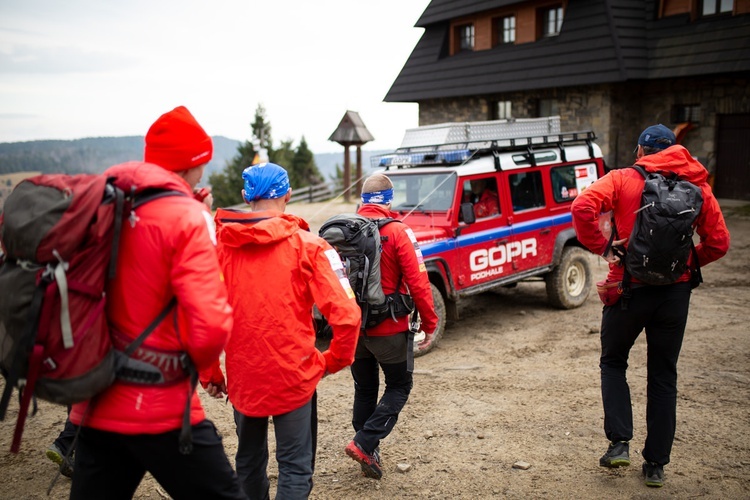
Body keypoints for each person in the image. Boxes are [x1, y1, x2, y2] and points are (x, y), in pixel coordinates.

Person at [68, 106, 245, 499]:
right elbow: (211, 324)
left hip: (94, 399)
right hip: (160, 404)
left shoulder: (108, 201)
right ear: (192, 163)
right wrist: (206, 369)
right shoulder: (186, 217)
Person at [571, 124, 730, 488]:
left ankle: (619, 444)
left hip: (628, 289)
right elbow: (719, 242)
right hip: (674, 295)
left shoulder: (624, 178)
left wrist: (603, 246)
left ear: (641, 151)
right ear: (676, 149)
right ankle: (656, 466)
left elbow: (583, 206)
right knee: (663, 375)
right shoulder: (699, 186)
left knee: (613, 362)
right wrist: (686, 266)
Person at [204, 162, 361, 499]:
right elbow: (347, 315)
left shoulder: (219, 249)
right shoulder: (311, 246)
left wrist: (209, 372)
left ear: (248, 199)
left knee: (247, 462)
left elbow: (201, 315)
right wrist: (332, 361)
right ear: (287, 195)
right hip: (294, 375)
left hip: (244, 377)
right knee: (294, 466)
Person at [344, 173, 439, 479]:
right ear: (388, 200)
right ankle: (365, 443)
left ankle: (368, 451)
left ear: (362, 199)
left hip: (353, 327)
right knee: (399, 385)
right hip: (390, 326)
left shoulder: (344, 231)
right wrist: (430, 320)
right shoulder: (398, 231)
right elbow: (419, 281)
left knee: (365, 388)